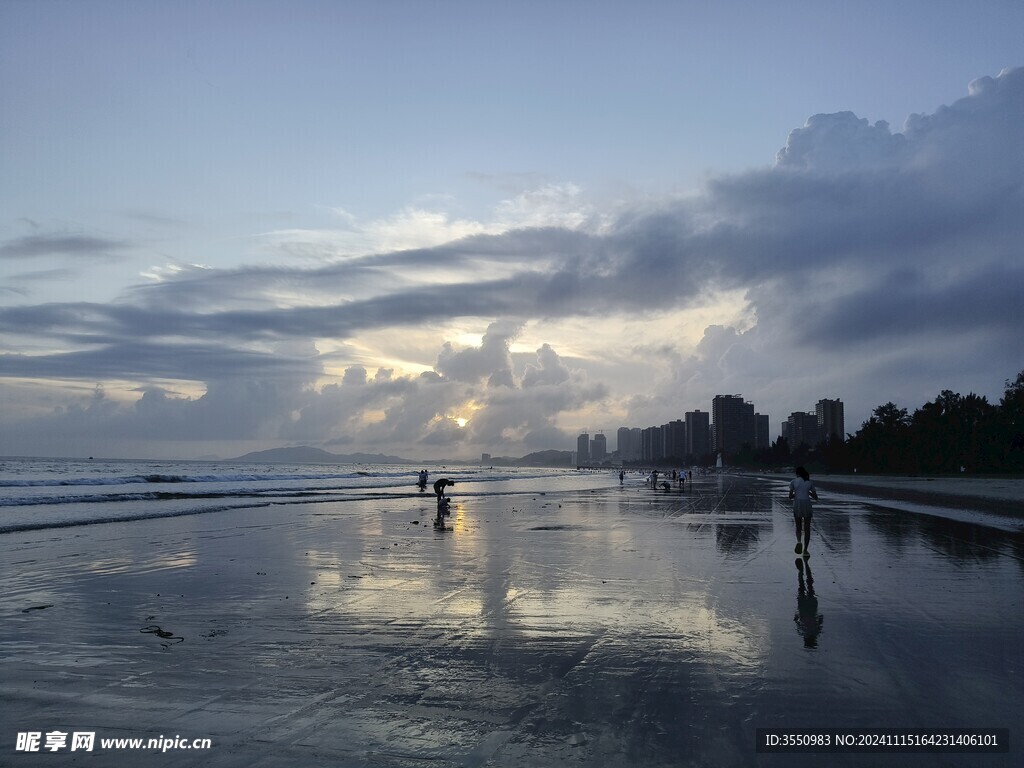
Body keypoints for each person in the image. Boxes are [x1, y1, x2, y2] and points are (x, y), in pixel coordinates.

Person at [789, 466, 818, 556]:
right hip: (807, 505)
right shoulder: (809, 482)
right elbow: (815, 497)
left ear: (797, 473)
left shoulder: (793, 482)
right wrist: (807, 492)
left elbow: (790, 496)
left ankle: (799, 541)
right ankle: (805, 550)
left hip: (797, 504)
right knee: (807, 528)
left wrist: (796, 493)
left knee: (798, 526)